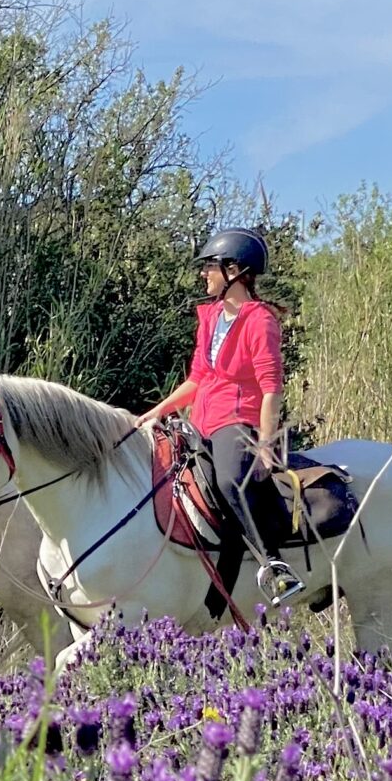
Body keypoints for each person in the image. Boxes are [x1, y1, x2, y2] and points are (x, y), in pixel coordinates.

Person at [137, 227, 304, 603]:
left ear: (235, 270)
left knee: (230, 482)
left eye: (210, 266)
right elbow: (197, 378)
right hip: (201, 420)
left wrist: (265, 444)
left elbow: (271, 387)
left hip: (237, 420)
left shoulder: (260, 320)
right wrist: (154, 413)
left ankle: (274, 566)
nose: (203, 274)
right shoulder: (210, 317)